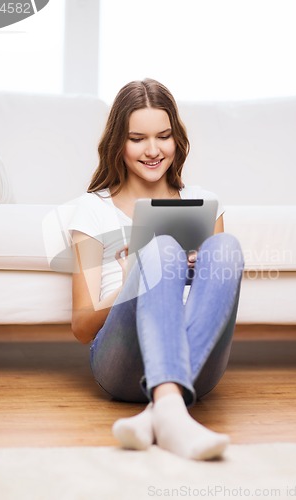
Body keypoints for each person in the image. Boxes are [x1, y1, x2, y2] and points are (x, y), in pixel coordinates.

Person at [68, 78, 244, 461]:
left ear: (176, 139)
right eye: (137, 138)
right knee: (161, 250)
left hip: (195, 358)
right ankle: (169, 410)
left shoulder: (205, 202)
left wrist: (191, 272)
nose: (152, 150)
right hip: (121, 363)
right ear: (119, 142)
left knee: (226, 248)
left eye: (163, 136)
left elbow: (213, 305)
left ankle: (159, 413)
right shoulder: (92, 210)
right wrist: (136, 276)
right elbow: (82, 328)